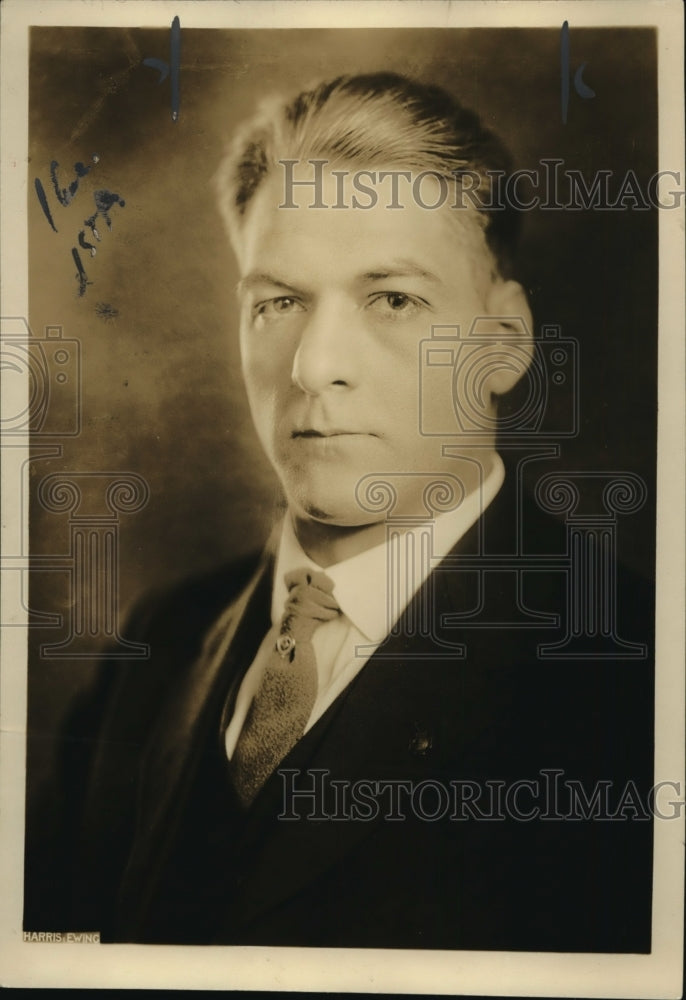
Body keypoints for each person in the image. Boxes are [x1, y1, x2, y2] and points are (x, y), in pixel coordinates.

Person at [24, 73, 653, 950]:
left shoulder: (635, 678)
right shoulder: (160, 645)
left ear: (505, 342)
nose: (315, 366)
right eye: (276, 303)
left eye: (393, 299)